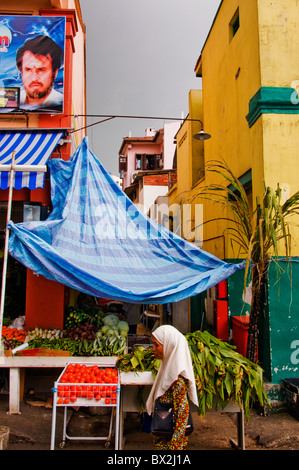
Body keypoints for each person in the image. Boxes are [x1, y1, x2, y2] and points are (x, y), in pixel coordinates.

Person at [146, 325, 198, 450]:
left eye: (156, 345)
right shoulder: (167, 368)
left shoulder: (177, 377)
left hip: (170, 441)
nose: (153, 349)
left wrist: (175, 446)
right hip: (164, 433)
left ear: (169, 345)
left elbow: (182, 413)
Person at [16, 35, 63, 110]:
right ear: (21, 73)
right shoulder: (12, 103)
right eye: (28, 70)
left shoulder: (60, 102)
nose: (34, 78)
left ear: (55, 73)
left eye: (41, 70)